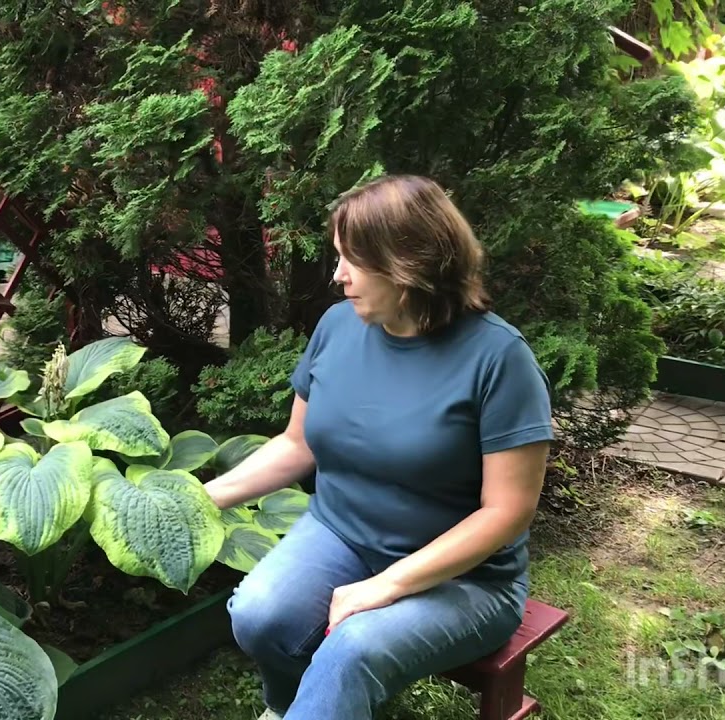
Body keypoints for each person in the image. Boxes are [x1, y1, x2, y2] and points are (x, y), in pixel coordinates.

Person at [202, 174, 555, 720]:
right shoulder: (337, 326)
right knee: (258, 615)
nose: (338, 274)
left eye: (354, 259)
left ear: (409, 263)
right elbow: (297, 444)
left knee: (353, 650)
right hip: (341, 534)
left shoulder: (500, 359)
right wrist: (201, 499)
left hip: (468, 580)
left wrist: (386, 585)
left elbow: (507, 512)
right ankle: (292, 707)